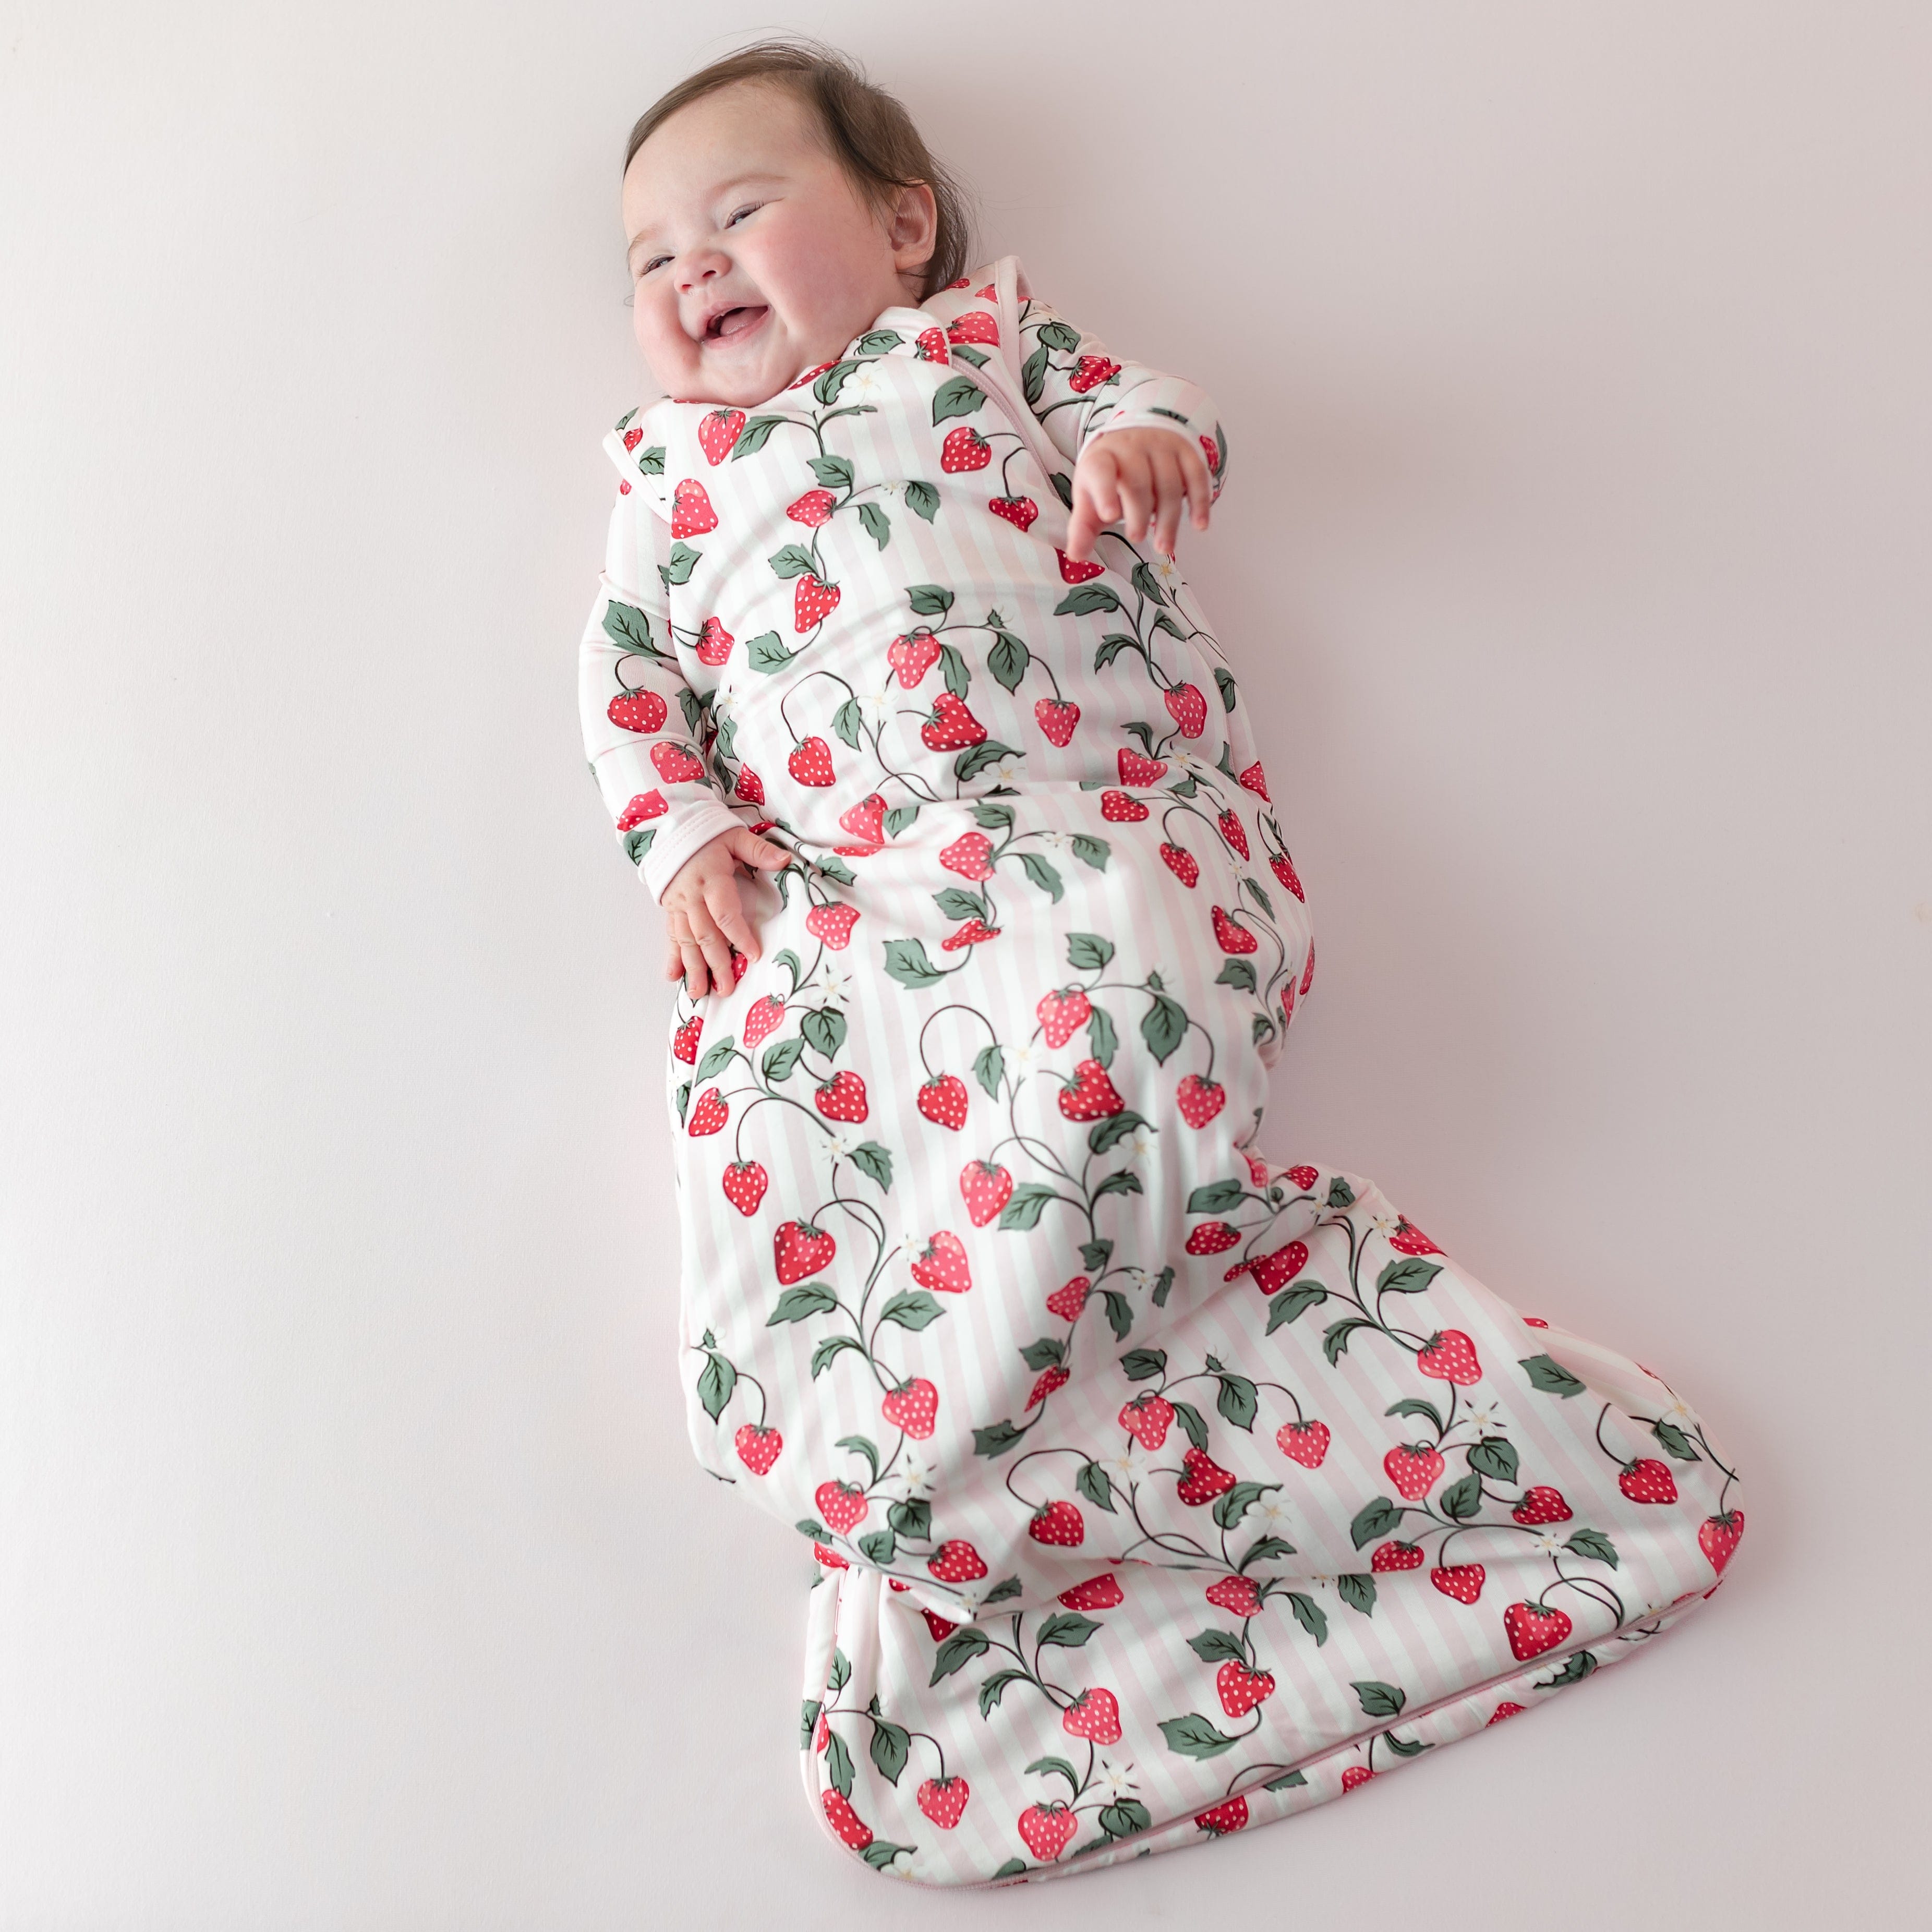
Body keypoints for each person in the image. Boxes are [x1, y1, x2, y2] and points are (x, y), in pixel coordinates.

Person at [577, 38, 1744, 1887]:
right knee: (794, 1121)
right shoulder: (669, 475)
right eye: (646, 256)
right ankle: (929, 1458)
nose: (688, 268)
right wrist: (689, 841)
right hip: (857, 892)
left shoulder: (980, 346)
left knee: (1121, 993)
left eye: (738, 212)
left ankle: (977, 1468)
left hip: (1080, 816)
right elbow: (632, 689)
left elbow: (1154, 401)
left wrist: (1142, 445)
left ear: (902, 227)